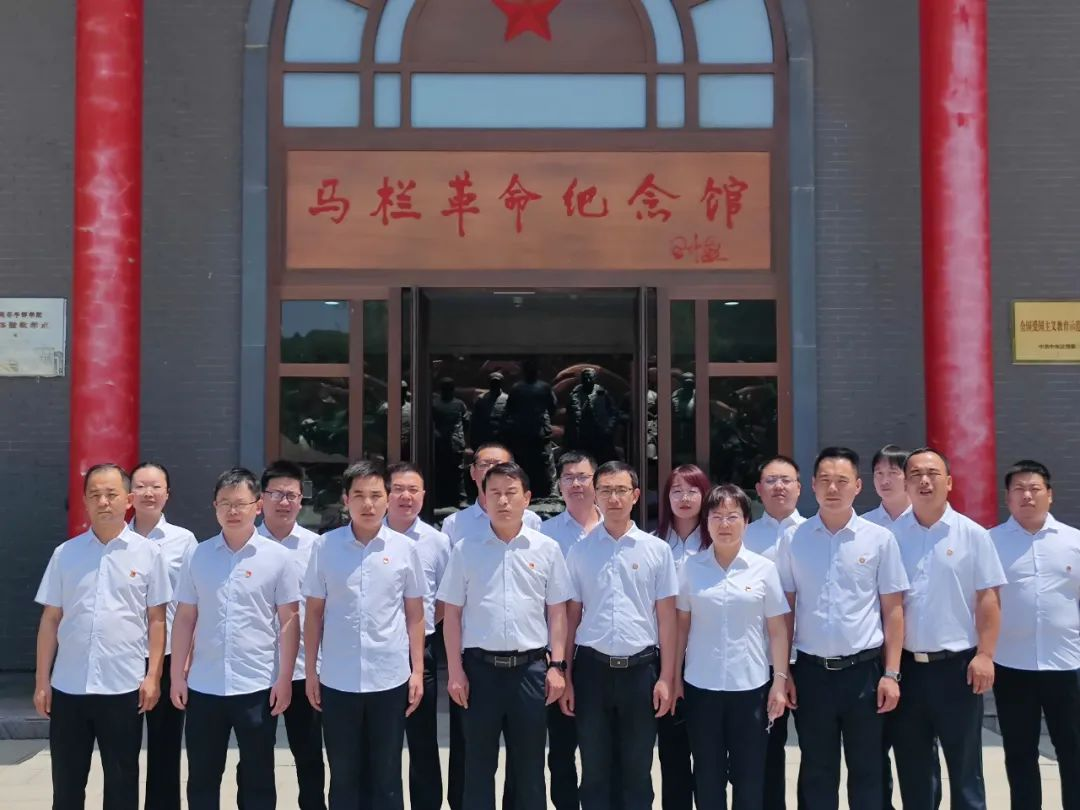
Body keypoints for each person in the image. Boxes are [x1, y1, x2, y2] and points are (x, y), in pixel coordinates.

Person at [775, 446, 908, 810]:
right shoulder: (793, 538)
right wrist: (784, 673)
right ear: (812, 485)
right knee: (817, 771)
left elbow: (893, 610)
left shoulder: (878, 538)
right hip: (811, 673)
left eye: (841, 481)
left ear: (857, 486)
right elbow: (786, 610)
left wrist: (891, 674)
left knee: (868, 769)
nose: (832, 488)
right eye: (825, 480)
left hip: (864, 673)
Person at [35, 463, 171, 810]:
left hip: (123, 686)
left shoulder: (148, 553)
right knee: (66, 784)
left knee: (122, 784)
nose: (103, 502)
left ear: (128, 499)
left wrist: (153, 676)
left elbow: (157, 620)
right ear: (84, 501)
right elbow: (50, 619)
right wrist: (42, 680)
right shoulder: (65, 554)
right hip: (69, 686)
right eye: (95, 495)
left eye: (111, 494)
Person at [438, 461, 572, 810]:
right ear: (483, 497)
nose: (502, 500)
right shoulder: (465, 549)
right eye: (494, 493)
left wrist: (557, 666)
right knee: (478, 767)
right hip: (479, 671)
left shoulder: (546, 549)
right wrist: (455, 671)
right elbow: (452, 615)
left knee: (529, 770)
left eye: (511, 493)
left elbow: (557, 611)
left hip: (530, 670)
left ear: (527, 498)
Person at [170, 467, 301, 810]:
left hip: (256, 685)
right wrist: (177, 676)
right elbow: (185, 618)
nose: (232, 511)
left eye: (240, 503)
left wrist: (285, 678)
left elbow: (289, 620)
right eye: (225, 503)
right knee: (202, 777)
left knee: (258, 777)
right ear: (214, 506)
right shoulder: (197, 555)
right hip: (204, 685)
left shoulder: (278, 557)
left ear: (257, 506)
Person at [303, 460, 426, 810]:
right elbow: (313, 614)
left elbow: (415, 614)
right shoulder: (324, 547)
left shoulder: (404, 549)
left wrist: (417, 671)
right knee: (343, 774)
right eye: (359, 495)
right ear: (346, 500)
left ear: (387, 499)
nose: (368, 504)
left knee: (386, 775)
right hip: (337, 679)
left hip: (390, 678)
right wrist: (311, 671)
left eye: (375, 495)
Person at [889, 447, 1007, 810]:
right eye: (915, 475)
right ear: (905, 484)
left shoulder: (973, 535)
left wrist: (985, 655)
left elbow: (988, 599)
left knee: (965, 764)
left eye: (933, 474)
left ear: (950, 482)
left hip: (958, 668)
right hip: (906, 669)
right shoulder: (890, 536)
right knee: (913, 764)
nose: (924, 481)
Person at [563, 460, 678, 810]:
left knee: (637, 770)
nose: (614, 498)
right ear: (595, 495)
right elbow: (571, 617)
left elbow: (667, 619)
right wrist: (565, 675)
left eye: (621, 490)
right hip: (592, 670)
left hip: (641, 671)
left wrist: (667, 677)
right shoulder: (580, 550)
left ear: (636, 495)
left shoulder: (656, 550)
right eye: (606, 490)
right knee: (594, 769)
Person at [675, 484, 793, 809]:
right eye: (716, 516)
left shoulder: (764, 569)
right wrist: (673, 676)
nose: (724, 524)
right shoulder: (690, 568)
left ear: (746, 521)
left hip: (750, 687)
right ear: (706, 522)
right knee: (707, 777)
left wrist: (779, 682)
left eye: (732, 516)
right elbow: (681, 627)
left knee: (750, 779)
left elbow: (778, 630)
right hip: (701, 686)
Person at [991, 459, 1080, 810]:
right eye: (1019, 489)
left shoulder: (1074, 541)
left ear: (1050, 495)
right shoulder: (991, 542)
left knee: (1073, 749)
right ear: (1008, 498)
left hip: (1067, 663)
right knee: (1019, 752)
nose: (1027, 495)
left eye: (1034, 489)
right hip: (1011, 664)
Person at [860, 445, 939, 810]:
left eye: (893, 472)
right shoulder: (863, 527)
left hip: (917, 653)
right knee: (872, 748)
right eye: (879, 473)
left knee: (918, 749)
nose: (885, 480)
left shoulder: (926, 523)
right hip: (871, 655)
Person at [254, 460, 325, 810]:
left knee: (309, 756)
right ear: (261, 499)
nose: (284, 502)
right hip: (256, 671)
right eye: (276, 494)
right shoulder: (245, 544)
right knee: (255, 759)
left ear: (301, 499)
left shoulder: (318, 547)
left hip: (303, 670)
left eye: (291, 495)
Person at [129, 461, 198, 810]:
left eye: (156, 486)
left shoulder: (183, 541)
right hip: (125, 656)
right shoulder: (117, 540)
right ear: (130, 494)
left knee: (166, 747)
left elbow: (195, 603)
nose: (148, 493)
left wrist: (187, 659)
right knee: (122, 748)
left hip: (170, 654)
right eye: (141, 486)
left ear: (167, 494)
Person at [385, 461, 452, 810]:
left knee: (422, 741)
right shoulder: (367, 536)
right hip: (377, 651)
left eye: (413, 490)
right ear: (385, 494)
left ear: (423, 496)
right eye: (398, 489)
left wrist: (417, 627)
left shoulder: (437, 542)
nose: (406, 496)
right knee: (381, 743)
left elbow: (445, 599)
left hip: (420, 651)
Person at [539, 451, 603, 809]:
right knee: (561, 749)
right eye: (568, 478)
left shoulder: (615, 527)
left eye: (583, 477)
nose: (576, 484)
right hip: (556, 655)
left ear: (596, 481)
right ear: (559, 485)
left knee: (601, 748)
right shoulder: (545, 534)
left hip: (601, 655)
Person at [741, 455, 806, 810]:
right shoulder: (744, 536)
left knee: (816, 753)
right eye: (770, 480)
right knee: (764, 751)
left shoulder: (814, 534)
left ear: (799, 487)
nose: (779, 487)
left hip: (810, 658)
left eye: (786, 480)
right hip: (761, 660)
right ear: (758, 490)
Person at [654, 464, 712, 810]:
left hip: (707, 659)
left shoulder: (719, 543)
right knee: (672, 753)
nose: (685, 498)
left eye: (692, 490)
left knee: (708, 754)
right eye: (676, 491)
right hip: (664, 659)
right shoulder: (654, 544)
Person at [441, 443, 543, 545]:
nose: (490, 470)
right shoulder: (453, 523)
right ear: (472, 472)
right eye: (484, 465)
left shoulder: (531, 520)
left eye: (499, 465)